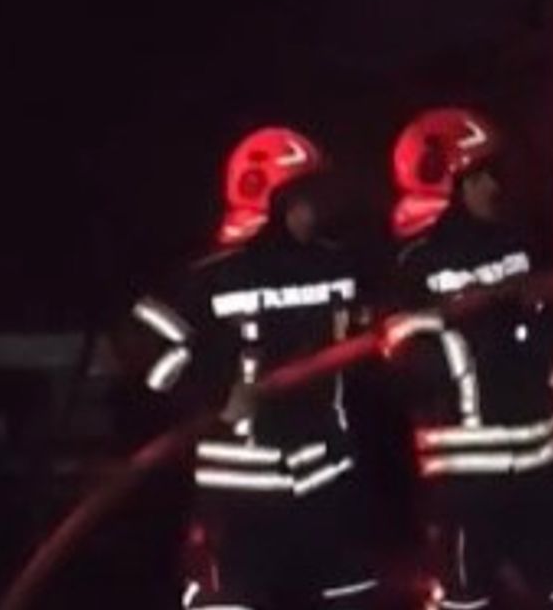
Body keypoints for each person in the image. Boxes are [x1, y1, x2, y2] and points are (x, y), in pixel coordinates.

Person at [116, 126, 380, 609]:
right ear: (270, 201)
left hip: (327, 476)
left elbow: (369, 330)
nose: (313, 211)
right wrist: (215, 392)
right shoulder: (211, 275)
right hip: (240, 491)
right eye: (302, 199)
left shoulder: (335, 265)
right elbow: (140, 346)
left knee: (351, 597)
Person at [382, 108, 553, 610]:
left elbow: (548, 321)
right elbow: (408, 355)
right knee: (465, 597)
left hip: (540, 457)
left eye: (493, 174)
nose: (494, 188)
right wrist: (479, 351)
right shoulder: (412, 264)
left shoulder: (517, 241)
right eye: (479, 177)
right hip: (465, 470)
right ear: (445, 183)